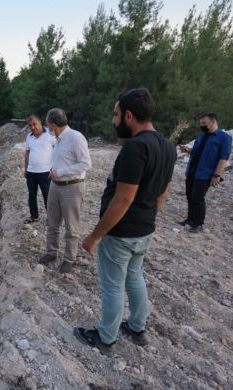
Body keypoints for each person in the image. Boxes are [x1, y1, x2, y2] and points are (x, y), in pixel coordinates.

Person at [74, 88, 176, 354]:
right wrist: (148, 214)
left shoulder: (135, 148)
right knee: (135, 277)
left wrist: (95, 236)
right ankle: (137, 326)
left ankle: (106, 337)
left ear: (129, 116)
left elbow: (123, 199)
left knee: (113, 286)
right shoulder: (167, 146)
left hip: (121, 233)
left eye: (116, 114)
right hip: (144, 230)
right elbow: (163, 191)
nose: (113, 120)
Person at [38, 108, 92, 274]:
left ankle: (69, 259)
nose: (47, 129)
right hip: (55, 186)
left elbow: (86, 163)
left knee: (71, 225)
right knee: (52, 222)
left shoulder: (75, 137)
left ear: (53, 125)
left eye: (48, 125)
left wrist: (60, 172)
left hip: (72, 187)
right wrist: (53, 170)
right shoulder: (58, 139)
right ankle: (51, 252)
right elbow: (61, 160)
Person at [178, 113, 232, 233]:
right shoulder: (201, 134)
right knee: (189, 194)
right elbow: (197, 151)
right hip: (192, 170)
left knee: (197, 197)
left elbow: (223, 158)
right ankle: (190, 219)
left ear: (213, 121)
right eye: (201, 123)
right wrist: (188, 150)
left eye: (204, 123)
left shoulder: (224, 138)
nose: (201, 126)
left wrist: (217, 175)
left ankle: (198, 224)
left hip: (206, 173)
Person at [23, 115, 56, 224]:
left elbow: (57, 151)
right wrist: (26, 168)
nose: (32, 127)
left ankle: (51, 218)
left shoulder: (50, 135)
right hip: (31, 172)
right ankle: (34, 216)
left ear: (40, 123)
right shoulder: (29, 136)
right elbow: (27, 153)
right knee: (31, 195)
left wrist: (55, 168)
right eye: (30, 125)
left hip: (45, 172)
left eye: (34, 124)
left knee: (47, 195)